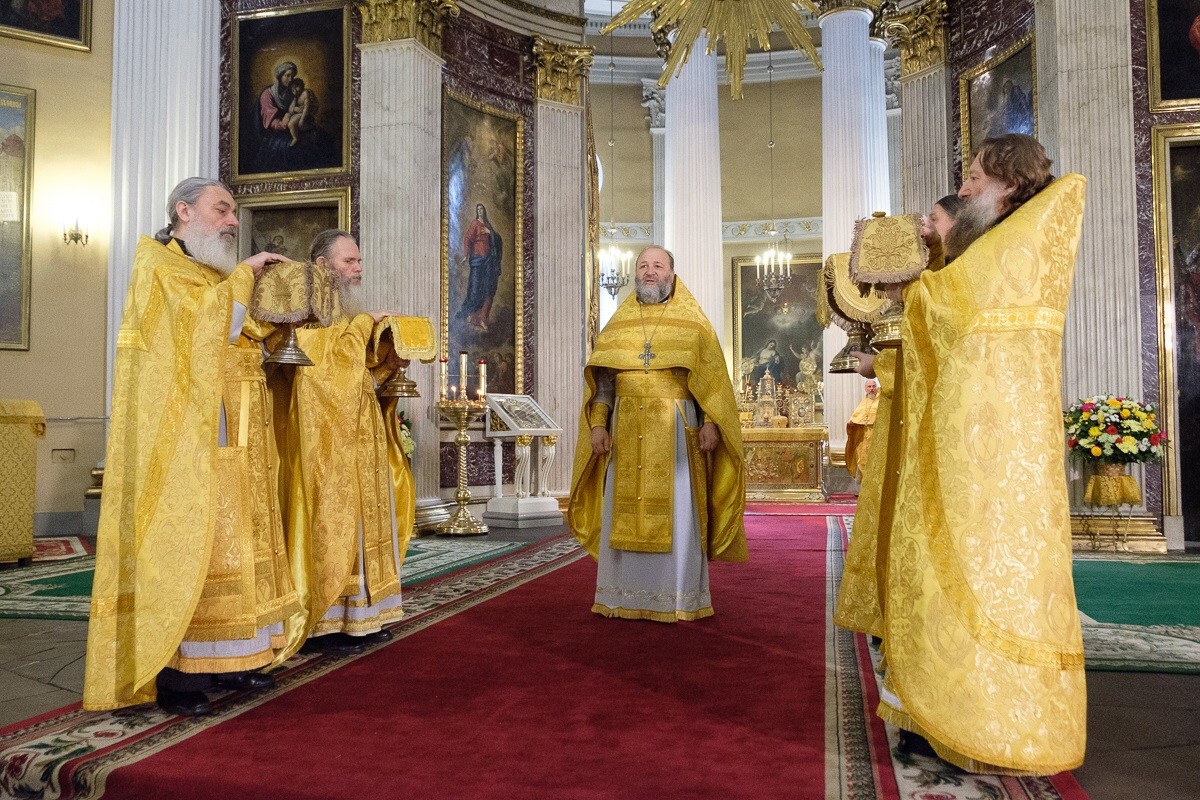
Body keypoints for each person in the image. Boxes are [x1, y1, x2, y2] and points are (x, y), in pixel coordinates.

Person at [870, 134, 1087, 775]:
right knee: (942, 569)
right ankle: (936, 714)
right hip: (965, 436)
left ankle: (988, 720)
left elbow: (952, 308)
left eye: (974, 177)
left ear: (1009, 184)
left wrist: (909, 286)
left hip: (993, 444)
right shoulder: (995, 241)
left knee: (986, 574)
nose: (962, 189)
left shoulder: (1016, 244)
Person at [83, 178, 299, 716]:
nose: (232, 220)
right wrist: (246, 275)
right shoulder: (158, 266)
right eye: (221, 209)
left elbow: (242, 330)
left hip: (238, 431)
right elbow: (201, 331)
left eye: (233, 211)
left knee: (237, 540)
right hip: (188, 440)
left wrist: (284, 312)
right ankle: (179, 674)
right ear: (183, 210)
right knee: (194, 543)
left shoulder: (213, 274)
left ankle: (236, 656)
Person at [567, 246, 747, 621]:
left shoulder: (694, 324)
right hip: (624, 429)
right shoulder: (618, 325)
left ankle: (676, 596)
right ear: (636, 274)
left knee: (679, 511)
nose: (650, 272)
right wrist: (598, 424)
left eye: (658, 266)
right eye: (643, 266)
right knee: (622, 507)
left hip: (677, 432)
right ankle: (621, 595)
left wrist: (711, 422)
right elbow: (604, 383)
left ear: (672, 275)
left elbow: (712, 383)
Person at [271, 230, 417, 659]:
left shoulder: (345, 316)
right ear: (321, 265)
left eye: (358, 261)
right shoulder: (304, 314)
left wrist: (387, 364)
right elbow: (322, 373)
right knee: (331, 524)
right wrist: (365, 323)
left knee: (363, 525)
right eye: (349, 261)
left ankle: (362, 618)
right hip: (322, 447)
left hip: (359, 439)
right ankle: (325, 621)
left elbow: (357, 380)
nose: (358, 269)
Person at [459, 203, 503, 332]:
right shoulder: (475, 224)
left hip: (489, 262)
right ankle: (472, 316)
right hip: (477, 261)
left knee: (487, 289)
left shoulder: (488, 225)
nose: (480, 211)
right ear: (476, 211)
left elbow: (497, 240)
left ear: (484, 211)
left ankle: (483, 319)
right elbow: (468, 238)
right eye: (478, 209)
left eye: (481, 209)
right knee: (475, 289)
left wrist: (491, 233)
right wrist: (466, 255)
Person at [283, 78, 317, 147]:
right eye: (293, 90)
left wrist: (302, 119)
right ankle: (284, 126)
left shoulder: (305, 93)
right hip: (299, 113)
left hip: (306, 114)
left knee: (291, 123)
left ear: (301, 85)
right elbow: (290, 109)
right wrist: (294, 108)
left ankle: (295, 138)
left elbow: (307, 107)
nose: (295, 91)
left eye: (296, 87)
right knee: (287, 116)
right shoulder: (296, 97)